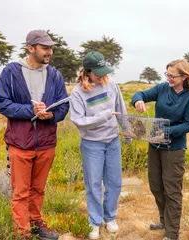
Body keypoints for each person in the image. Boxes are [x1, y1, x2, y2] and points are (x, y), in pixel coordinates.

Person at [0, 30, 69, 240]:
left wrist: (52, 114)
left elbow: (64, 105)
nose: (50, 52)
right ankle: (22, 234)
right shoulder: (11, 72)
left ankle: (37, 226)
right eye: (45, 48)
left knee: (38, 189)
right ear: (30, 48)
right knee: (21, 193)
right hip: (20, 143)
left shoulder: (55, 74)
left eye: (50, 48)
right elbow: (2, 104)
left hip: (46, 143)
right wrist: (31, 112)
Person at [131, 59, 189, 240]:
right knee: (156, 186)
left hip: (173, 149)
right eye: (167, 74)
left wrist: (167, 132)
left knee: (172, 190)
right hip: (154, 146)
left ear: (184, 77)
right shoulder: (162, 88)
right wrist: (138, 100)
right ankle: (164, 220)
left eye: (173, 76)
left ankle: (172, 233)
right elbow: (139, 94)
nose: (168, 78)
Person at [69, 51, 130, 240]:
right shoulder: (78, 93)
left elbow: (120, 108)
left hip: (112, 140)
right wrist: (104, 116)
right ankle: (94, 221)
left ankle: (109, 217)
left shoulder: (111, 83)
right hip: (92, 144)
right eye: (98, 72)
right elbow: (79, 121)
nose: (103, 75)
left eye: (104, 71)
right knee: (94, 184)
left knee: (114, 182)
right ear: (87, 72)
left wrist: (126, 132)